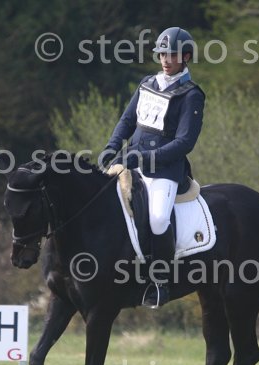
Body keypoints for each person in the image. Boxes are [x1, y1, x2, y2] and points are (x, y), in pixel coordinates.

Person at [101, 27, 206, 308]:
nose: (165, 60)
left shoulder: (191, 95)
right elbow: (127, 120)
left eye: (172, 54)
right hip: (130, 161)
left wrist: (146, 159)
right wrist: (112, 146)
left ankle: (160, 282)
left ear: (185, 57)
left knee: (158, 218)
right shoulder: (147, 83)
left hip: (165, 171)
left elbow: (185, 142)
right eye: (162, 54)